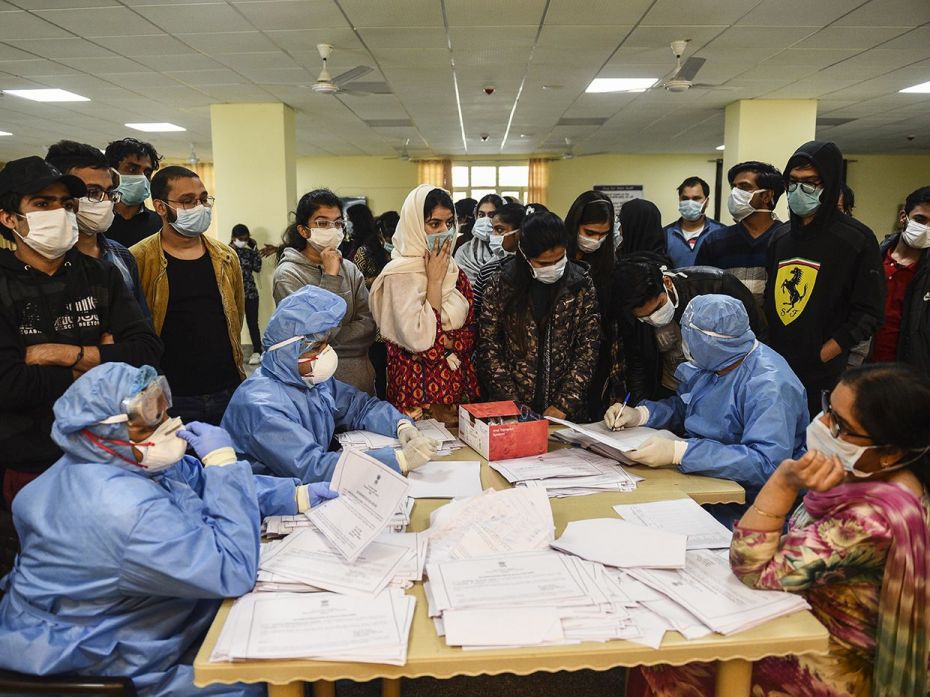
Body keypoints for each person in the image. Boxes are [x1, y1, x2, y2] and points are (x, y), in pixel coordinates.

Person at [0, 362, 334, 696]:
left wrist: (295, 495)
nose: (168, 424)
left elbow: (196, 482)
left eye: (162, 408)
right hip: (104, 658)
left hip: (141, 620)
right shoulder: (121, 509)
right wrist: (223, 464)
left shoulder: (115, 460)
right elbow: (232, 569)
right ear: (106, 432)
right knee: (263, 678)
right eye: (149, 417)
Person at [633, 362, 930, 697]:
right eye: (828, 408)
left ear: (890, 453)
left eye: (841, 426)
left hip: (825, 655)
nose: (823, 424)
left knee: (670, 662)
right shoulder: (868, 477)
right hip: (799, 614)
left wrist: (783, 482)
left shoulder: (870, 518)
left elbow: (752, 566)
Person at [0, 156, 162, 505]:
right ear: (9, 217)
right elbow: (9, 385)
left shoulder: (100, 275)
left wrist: (61, 355)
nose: (59, 213)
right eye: (43, 204)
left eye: (67, 205)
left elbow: (146, 350)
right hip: (31, 460)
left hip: (107, 448)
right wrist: (101, 361)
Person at [605, 294, 807, 503]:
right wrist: (642, 415)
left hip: (752, 501)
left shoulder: (769, 387)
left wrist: (682, 453)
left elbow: (767, 464)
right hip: (706, 479)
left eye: (690, 337)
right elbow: (691, 406)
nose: (685, 344)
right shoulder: (717, 362)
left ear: (711, 343)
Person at [223, 285, 438, 481]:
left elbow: (359, 406)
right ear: (289, 352)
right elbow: (311, 467)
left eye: (326, 345)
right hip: (270, 506)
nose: (326, 353)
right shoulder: (261, 407)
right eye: (316, 347)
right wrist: (397, 459)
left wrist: (400, 425)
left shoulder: (309, 382)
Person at [764, 141, 884, 417]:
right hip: (778, 367)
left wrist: (825, 353)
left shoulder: (856, 239)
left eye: (810, 182)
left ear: (828, 185)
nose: (798, 190)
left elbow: (869, 312)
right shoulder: (780, 237)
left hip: (826, 372)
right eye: (792, 182)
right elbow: (772, 299)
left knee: (818, 446)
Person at [132, 166, 244, 426]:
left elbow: (235, 317)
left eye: (203, 199)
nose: (200, 207)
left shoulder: (226, 257)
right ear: (160, 207)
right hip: (172, 396)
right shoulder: (138, 259)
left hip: (227, 389)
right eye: (187, 201)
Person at [369, 185, 479, 424]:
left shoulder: (454, 270)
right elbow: (423, 344)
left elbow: (471, 331)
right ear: (415, 225)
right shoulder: (398, 275)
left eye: (449, 223)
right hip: (418, 399)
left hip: (457, 392)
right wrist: (435, 282)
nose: (445, 232)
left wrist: (449, 341)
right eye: (434, 224)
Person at [479, 209, 599, 420]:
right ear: (524, 255)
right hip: (512, 409)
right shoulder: (501, 284)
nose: (553, 268)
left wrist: (565, 403)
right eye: (543, 263)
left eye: (559, 259)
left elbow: (588, 347)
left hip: (566, 413)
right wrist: (513, 405)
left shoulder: (580, 284)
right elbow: (489, 346)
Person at [614, 253, 764, 403]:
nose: (653, 318)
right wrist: (639, 408)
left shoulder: (717, 284)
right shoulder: (628, 310)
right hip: (669, 391)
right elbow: (637, 363)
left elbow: (759, 336)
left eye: (658, 307)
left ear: (666, 282)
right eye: (644, 317)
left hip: (723, 388)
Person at [272, 189, 376, 394]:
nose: (332, 229)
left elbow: (369, 326)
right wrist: (330, 277)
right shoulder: (288, 275)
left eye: (337, 223)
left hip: (361, 386)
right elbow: (310, 339)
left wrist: (330, 340)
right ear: (303, 230)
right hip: (319, 392)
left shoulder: (350, 268)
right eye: (322, 223)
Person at [45, 140, 150, 318]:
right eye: (92, 193)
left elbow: (144, 331)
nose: (106, 202)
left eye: (109, 193)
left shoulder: (121, 256)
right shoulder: (38, 260)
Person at [695, 160, 787, 306]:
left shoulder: (786, 239)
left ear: (767, 196)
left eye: (744, 187)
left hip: (773, 327)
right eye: (734, 187)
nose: (735, 193)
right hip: (725, 327)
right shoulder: (715, 241)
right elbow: (700, 292)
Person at [565, 191, 622, 419]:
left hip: (595, 361)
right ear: (575, 225)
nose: (596, 240)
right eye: (589, 232)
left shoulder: (608, 265)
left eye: (603, 235)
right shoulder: (557, 259)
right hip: (560, 357)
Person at [869, 186, 930, 374]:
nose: (926, 229)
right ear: (904, 216)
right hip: (863, 370)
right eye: (920, 219)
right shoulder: (872, 260)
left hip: (909, 378)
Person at [355, 211, 397, 399]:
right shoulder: (366, 251)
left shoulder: (404, 250)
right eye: (388, 238)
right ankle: (379, 401)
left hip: (397, 317)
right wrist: (379, 279)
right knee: (378, 368)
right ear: (380, 234)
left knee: (397, 369)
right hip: (375, 318)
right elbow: (355, 281)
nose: (391, 242)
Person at [104, 137, 163, 248]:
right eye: (132, 170)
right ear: (111, 173)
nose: (142, 177)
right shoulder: (96, 220)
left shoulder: (160, 224)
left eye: (147, 173)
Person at [472, 201, 528, 314]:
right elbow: (476, 311)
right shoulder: (488, 270)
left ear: (519, 233)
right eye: (493, 230)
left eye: (499, 230)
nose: (493, 236)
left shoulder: (533, 267)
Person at [662, 176, 725, 267]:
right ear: (679, 200)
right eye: (685, 199)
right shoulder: (665, 234)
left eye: (696, 198)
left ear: (706, 202)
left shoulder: (721, 231)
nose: (690, 203)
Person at [230, 223, 263, 366]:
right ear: (234, 238)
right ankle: (232, 353)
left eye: (246, 238)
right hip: (232, 295)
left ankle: (257, 351)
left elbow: (257, 267)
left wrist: (255, 249)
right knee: (232, 325)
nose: (243, 241)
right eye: (241, 238)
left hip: (250, 294)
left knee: (252, 323)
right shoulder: (225, 252)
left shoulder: (249, 252)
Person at [454, 193, 502, 282]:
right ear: (475, 216)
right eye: (481, 215)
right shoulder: (464, 252)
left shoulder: (508, 250)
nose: (485, 220)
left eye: (491, 215)